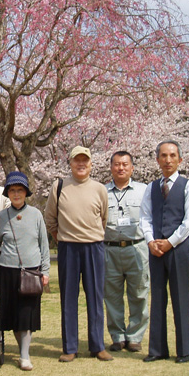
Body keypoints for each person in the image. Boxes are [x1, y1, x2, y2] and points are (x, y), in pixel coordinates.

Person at [44, 146, 111, 362]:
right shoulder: (59, 185)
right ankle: (70, 347)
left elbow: (103, 218)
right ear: (70, 163)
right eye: (76, 161)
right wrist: (62, 237)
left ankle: (97, 345)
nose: (81, 164)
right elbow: (50, 218)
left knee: (95, 297)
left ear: (91, 164)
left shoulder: (100, 189)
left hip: (94, 247)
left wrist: (91, 235)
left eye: (85, 161)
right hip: (68, 248)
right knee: (69, 298)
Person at [139, 140, 189, 364]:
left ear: (180, 159)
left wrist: (170, 242)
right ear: (157, 160)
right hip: (155, 250)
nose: (168, 160)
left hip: (179, 249)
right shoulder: (152, 187)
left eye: (172, 155)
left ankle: (183, 350)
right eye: (163, 155)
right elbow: (145, 217)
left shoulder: (188, 185)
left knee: (181, 298)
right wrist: (151, 241)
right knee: (157, 298)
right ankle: (157, 349)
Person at [0, 172, 50, 371]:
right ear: (8, 193)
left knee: (26, 314)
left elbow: (44, 244)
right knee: (12, 314)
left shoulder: (36, 214)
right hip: (7, 270)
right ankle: (23, 351)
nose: (16, 194)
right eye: (12, 190)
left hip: (31, 271)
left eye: (20, 190)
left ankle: (24, 355)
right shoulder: (2, 215)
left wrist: (45, 270)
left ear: (26, 192)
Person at [103, 151, 149, 353]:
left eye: (125, 164)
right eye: (116, 164)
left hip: (137, 247)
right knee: (112, 296)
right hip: (109, 249)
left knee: (139, 293)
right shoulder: (101, 191)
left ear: (132, 168)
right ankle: (118, 336)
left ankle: (135, 336)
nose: (121, 168)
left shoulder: (144, 190)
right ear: (111, 167)